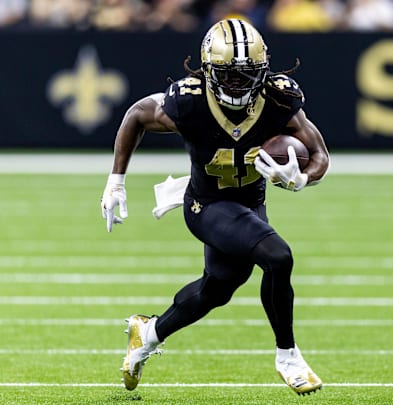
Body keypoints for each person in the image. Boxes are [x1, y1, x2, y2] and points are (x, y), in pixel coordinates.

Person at [99, 18, 330, 395]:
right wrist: (116, 180)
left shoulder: (279, 98)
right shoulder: (189, 101)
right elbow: (136, 115)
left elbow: (320, 154)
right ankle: (288, 356)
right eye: (229, 75)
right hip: (206, 205)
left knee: (218, 288)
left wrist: (302, 178)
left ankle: (149, 332)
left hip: (250, 205)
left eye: (246, 74)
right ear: (208, 70)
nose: (238, 84)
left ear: (263, 70)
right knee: (278, 256)